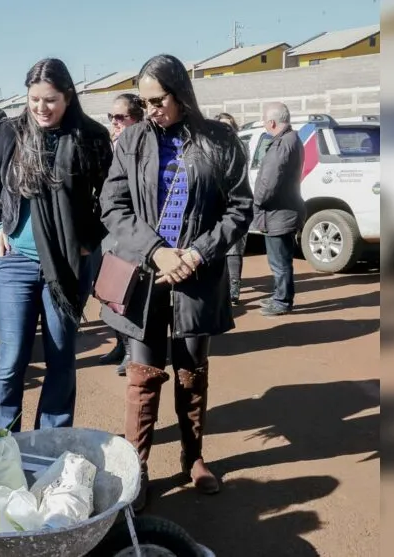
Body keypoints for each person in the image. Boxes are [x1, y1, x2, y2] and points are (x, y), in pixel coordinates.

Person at [100, 54, 253, 510]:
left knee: (192, 372)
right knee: (142, 376)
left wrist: (197, 252)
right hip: (145, 276)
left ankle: (194, 457)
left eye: (158, 100)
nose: (150, 110)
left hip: (196, 277)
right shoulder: (131, 142)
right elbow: (114, 206)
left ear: (181, 93)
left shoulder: (220, 140)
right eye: (144, 102)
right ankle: (139, 466)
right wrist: (156, 251)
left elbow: (240, 208)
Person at [0, 58, 113, 431]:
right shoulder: (11, 132)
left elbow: (115, 196)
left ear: (68, 96)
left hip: (68, 266)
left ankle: (51, 441)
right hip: (16, 261)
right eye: (34, 99)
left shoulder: (92, 136)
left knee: (61, 357)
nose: (41, 108)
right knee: (12, 357)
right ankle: (0, 440)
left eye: (50, 100)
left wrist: (89, 238)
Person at [99, 93, 146, 375]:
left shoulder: (141, 145)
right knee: (110, 292)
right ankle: (120, 344)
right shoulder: (113, 144)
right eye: (111, 117)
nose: (114, 123)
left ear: (137, 119)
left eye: (121, 117)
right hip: (110, 227)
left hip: (131, 229)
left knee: (128, 293)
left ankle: (132, 352)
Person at [253, 102, 305, 316]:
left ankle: (282, 301)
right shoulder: (291, 139)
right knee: (281, 262)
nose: (265, 125)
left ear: (272, 122)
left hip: (278, 213)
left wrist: (256, 201)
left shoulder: (282, 144)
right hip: (283, 212)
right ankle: (280, 296)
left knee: (280, 263)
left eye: (265, 122)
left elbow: (269, 182)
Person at [215, 112, 248, 304]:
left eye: (228, 126)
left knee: (234, 248)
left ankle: (234, 288)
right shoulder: (210, 147)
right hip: (216, 205)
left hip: (234, 202)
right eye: (221, 126)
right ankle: (221, 288)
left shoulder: (240, 147)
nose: (225, 129)